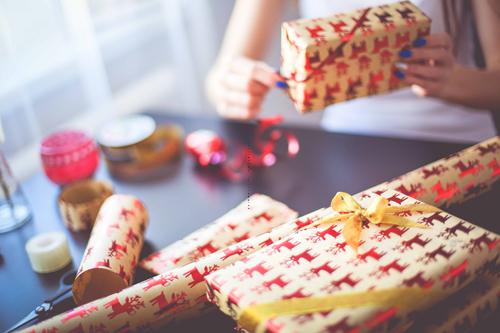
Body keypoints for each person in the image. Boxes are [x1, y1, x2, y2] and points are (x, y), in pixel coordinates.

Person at [206, 0, 500, 143]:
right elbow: (221, 77)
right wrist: (232, 88)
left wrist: (452, 81)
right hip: (347, 146)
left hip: (460, 144)